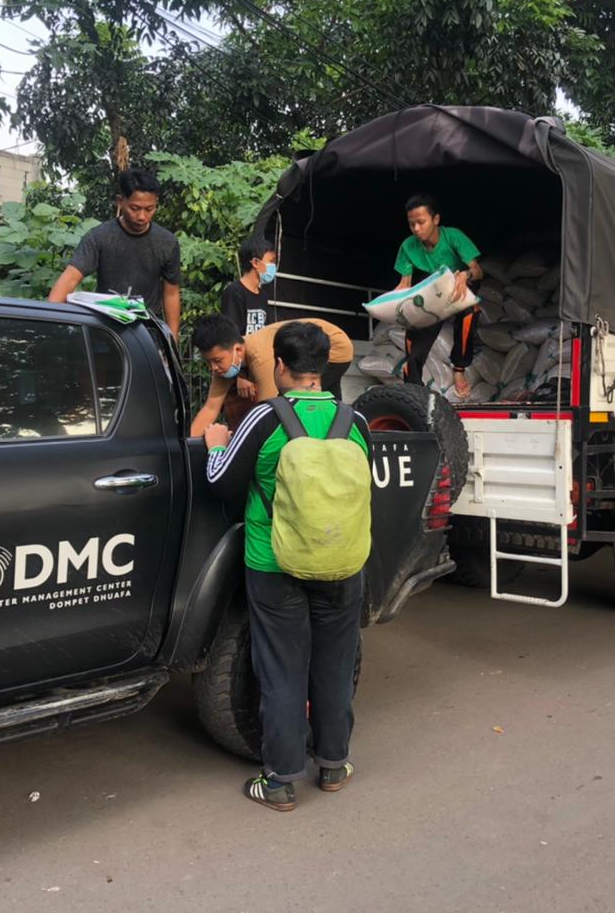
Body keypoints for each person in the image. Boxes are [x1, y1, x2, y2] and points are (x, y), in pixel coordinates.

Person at [203, 321, 372, 811]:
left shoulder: (263, 420)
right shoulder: (354, 423)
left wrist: (216, 441)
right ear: (321, 367)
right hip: (342, 563)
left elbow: (222, 482)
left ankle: (279, 782)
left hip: (275, 564)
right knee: (335, 666)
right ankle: (334, 765)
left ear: (279, 365)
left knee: (282, 671)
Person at [47, 169, 182, 339]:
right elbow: (70, 279)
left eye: (149, 209)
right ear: (120, 201)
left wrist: (172, 341)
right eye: (135, 208)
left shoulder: (167, 242)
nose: (142, 216)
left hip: (147, 333)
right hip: (105, 330)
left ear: (156, 204)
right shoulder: (99, 237)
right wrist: (50, 324)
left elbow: (171, 293)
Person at [188, 314, 354, 437]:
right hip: (308, 348)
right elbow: (211, 407)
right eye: (208, 362)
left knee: (298, 401)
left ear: (238, 350)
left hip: (337, 348)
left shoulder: (261, 358)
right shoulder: (224, 364)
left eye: (217, 360)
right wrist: (187, 447)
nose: (213, 368)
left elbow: (268, 412)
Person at [392, 192, 482, 398]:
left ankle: (459, 368)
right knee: (414, 331)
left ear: (436, 219)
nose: (416, 229)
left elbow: (478, 270)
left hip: (460, 289)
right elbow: (404, 284)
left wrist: (465, 274)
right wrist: (394, 304)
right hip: (431, 292)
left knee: (471, 311)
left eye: (421, 222)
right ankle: (413, 388)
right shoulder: (408, 246)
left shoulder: (453, 237)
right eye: (411, 224)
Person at [221, 235, 278, 335]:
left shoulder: (262, 296)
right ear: (255, 262)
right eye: (271, 261)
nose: (273, 266)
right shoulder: (234, 292)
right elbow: (231, 335)